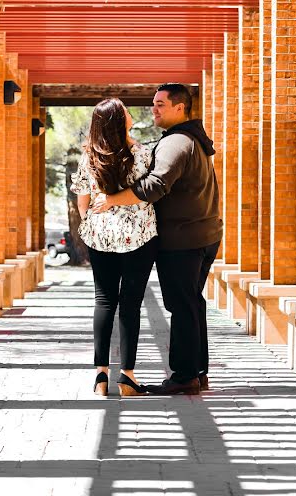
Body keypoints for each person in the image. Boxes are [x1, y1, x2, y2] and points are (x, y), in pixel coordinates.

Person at [93, 83, 222, 395]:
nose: (154, 109)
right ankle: (198, 372)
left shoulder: (176, 142)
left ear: (180, 108)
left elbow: (155, 185)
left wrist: (112, 200)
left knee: (181, 305)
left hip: (183, 240)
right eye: (154, 103)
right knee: (191, 303)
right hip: (201, 234)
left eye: (161, 104)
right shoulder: (189, 139)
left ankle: (184, 376)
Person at [70, 98, 159, 397]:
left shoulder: (89, 158)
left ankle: (100, 376)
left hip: (101, 237)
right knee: (130, 303)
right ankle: (128, 376)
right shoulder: (142, 155)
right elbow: (147, 193)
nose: (130, 115)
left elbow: (82, 201)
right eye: (125, 113)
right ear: (118, 121)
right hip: (139, 237)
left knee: (104, 301)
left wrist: (93, 226)